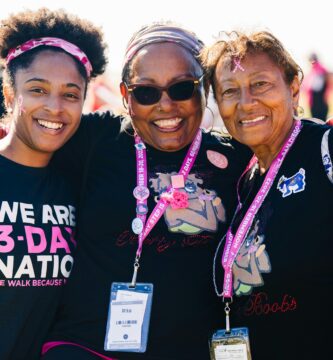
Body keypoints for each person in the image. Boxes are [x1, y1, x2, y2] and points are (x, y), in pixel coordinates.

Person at [42, 23, 251, 360]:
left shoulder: (235, 157)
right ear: (126, 96)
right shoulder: (95, 139)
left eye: (182, 88)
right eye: (146, 92)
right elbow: (25, 137)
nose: (166, 105)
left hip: (188, 349)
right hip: (85, 346)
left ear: (204, 89)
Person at [201, 30, 333, 359]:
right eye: (230, 91)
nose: (246, 102)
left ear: (292, 85)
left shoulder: (325, 150)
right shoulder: (245, 181)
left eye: (260, 84)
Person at [0, 8, 107, 359]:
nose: (54, 107)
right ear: (10, 93)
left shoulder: (79, 187)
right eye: (37, 89)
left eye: (70, 95)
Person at [303, 52, 331, 120]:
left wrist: (326, 93)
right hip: (314, 102)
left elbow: (327, 84)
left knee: (321, 121)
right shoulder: (312, 71)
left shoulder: (322, 70)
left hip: (320, 102)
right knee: (316, 120)